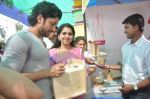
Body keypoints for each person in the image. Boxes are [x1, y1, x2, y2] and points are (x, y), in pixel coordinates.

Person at [0, 1, 65, 99]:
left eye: (55, 25)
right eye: (52, 24)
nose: (54, 29)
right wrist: (47, 72)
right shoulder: (20, 38)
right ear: (40, 18)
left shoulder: (41, 41)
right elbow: (6, 81)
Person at [98, 14, 150, 99]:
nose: (124, 31)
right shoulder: (125, 46)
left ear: (136, 27)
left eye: (126, 27)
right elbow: (124, 65)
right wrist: (108, 66)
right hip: (125, 90)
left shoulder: (147, 48)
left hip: (140, 93)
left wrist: (134, 87)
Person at [49, 23, 88, 99]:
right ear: (59, 36)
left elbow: (84, 73)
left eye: (70, 34)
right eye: (64, 33)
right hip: (59, 93)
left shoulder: (79, 52)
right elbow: (49, 73)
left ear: (73, 37)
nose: (67, 36)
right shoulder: (51, 53)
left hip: (77, 93)